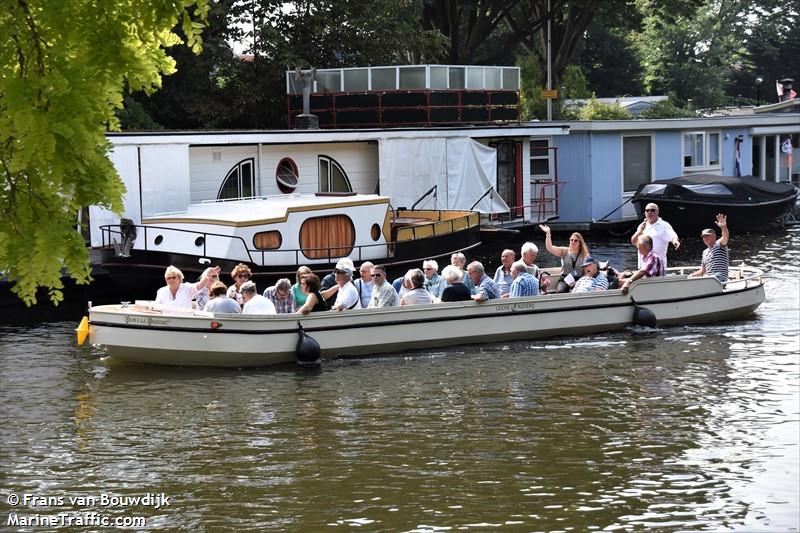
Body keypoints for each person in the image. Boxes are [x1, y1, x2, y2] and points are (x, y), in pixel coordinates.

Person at [539, 224, 590, 293]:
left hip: (580, 279)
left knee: (579, 291)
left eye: (576, 240)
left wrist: (577, 282)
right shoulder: (564, 251)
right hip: (565, 278)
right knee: (560, 291)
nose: (573, 242)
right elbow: (549, 248)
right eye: (571, 240)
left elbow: (587, 272)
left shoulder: (585, 255)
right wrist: (548, 233)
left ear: (580, 243)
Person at [630, 202, 679, 271]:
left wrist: (675, 241)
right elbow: (634, 242)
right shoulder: (642, 226)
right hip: (643, 267)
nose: (650, 212)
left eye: (652, 210)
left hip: (657, 268)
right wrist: (639, 231)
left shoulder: (664, 225)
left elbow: (673, 235)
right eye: (647, 210)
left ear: (657, 212)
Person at [155, 265, 220, 308]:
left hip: (185, 322)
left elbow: (199, 286)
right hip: (168, 322)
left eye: (173, 277)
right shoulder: (161, 291)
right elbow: (157, 307)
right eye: (168, 278)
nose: (171, 280)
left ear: (179, 278)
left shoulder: (187, 288)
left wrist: (208, 276)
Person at [690, 214, 730, 283]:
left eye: (707, 236)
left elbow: (725, 237)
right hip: (709, 280)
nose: (705, 238)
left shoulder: (719, 244)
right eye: (703, 237)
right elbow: (702, 271)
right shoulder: (704, 252)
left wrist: (723, 227)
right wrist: (690, 276)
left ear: (714, 237)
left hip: (720, 280)